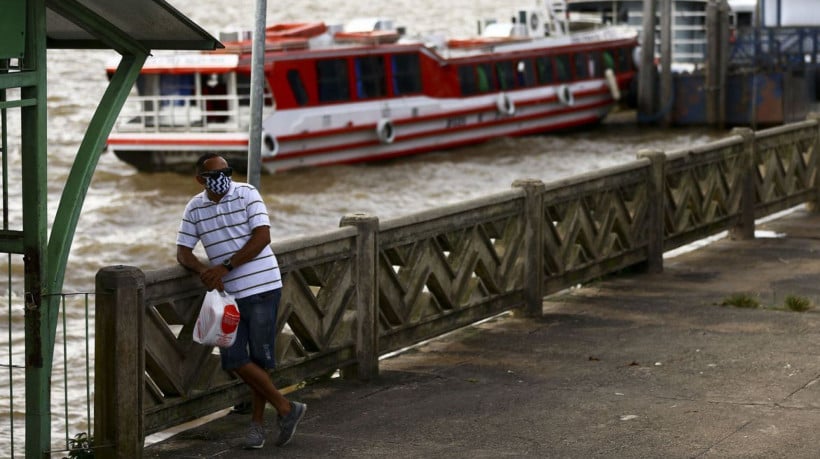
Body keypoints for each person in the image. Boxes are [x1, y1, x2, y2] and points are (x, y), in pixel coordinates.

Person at [176, 153, 306, 449]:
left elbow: (263, 237)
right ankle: (286, 408)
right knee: (234, 359)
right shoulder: (195, 208)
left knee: (259, 360)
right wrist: (203, 271)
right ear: (200, 180)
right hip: (229, 297)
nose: (223, 178)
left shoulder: (247, 193)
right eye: (214, 175)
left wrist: (226, 267)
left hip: (262, 288)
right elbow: (183, 252)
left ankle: (257, 429)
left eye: (227, 171)